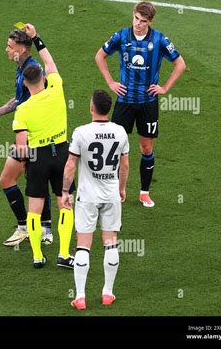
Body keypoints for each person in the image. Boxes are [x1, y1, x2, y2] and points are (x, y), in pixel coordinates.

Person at [95, 1, 186, 207]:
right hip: (124, 101)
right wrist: (110, 82)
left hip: (148, 103)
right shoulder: (121, 36)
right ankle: (115, 191)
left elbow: (180, 64)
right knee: (115, 147)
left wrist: (164, 88)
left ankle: (144, 192)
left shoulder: (160, 39)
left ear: (150, 21)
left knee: (146, 148)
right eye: (136, 18)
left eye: (143, 21)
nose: (138, 24)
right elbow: (99, 56)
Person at [0, 29, 54, 246]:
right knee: (34, 179)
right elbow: (20, 99)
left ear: (22, 49)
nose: (6, 50)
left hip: (32, 135)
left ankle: (25, 227)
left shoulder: (33, 70)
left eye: (10, 46)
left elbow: (40, 102)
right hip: (31, 133)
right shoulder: (24, 68)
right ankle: (45, 229)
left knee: (7, 179)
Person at [13, 23, 74, 269]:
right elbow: (50, 62)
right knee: (65, 203)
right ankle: (64, 254)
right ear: (44, 78)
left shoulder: (23, 109)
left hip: (38, 159)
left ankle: (38, 255)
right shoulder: (56, 90)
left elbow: (20, 147)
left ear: (26, 85)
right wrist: (36, 37)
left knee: (35, 209)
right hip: (61, 154)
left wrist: (27, 165)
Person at [62, 90, 129, 310]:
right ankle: (108, 293)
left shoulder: (81, 132)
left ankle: (80, 296)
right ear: (108, 108)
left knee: (83, 245)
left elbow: (71, 165)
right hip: (111, 195)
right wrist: (121, 188)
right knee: (111, 242)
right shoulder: (120, 132)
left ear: (92, 108)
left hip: (87, 197)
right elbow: (125, 165)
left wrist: (65, 192)